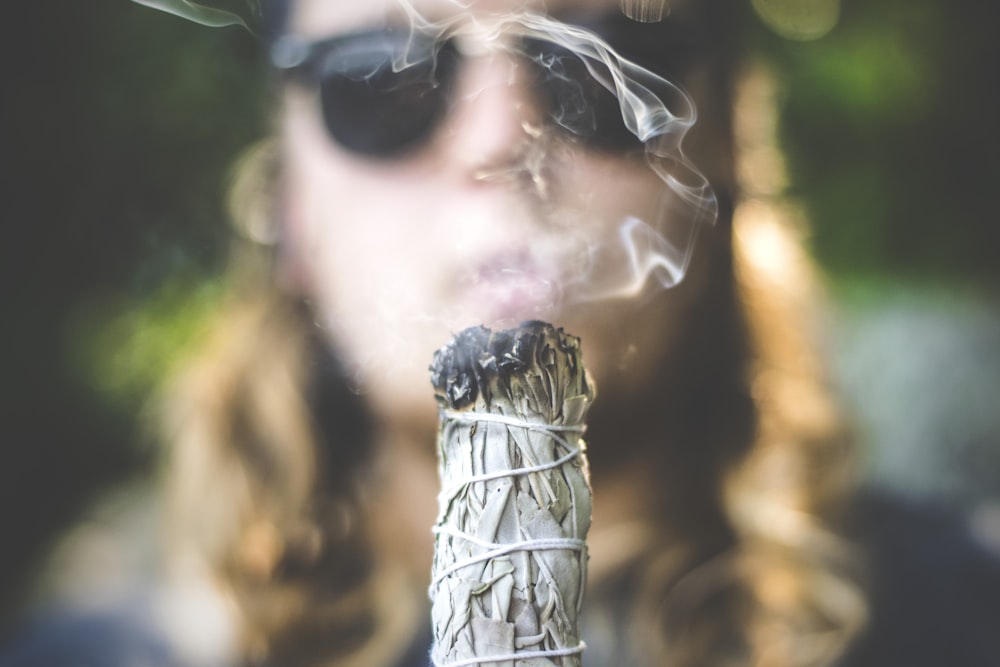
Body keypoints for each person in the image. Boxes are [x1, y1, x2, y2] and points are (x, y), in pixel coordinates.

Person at [0, 0, 879, 666]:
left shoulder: (954, 613)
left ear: (728, 143)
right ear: (290, 203)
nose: (499, 139)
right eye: (381, 78)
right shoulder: (108, 647)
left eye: (600, 62)